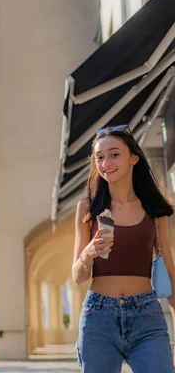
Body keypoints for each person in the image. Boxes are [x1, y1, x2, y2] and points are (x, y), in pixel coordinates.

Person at [72, 125, 175, 372]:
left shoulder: (154, 209)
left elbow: (169, 271)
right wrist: (89, 253)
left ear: (134, 158)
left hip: (146, 316)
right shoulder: (87, 208)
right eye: (99, 157)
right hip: (98, 317)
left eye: (114, 154)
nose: (106, 162)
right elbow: (78, 276)